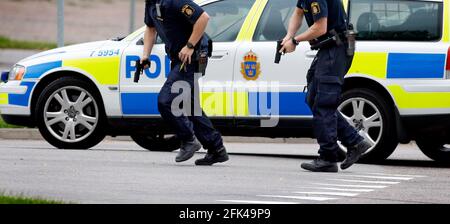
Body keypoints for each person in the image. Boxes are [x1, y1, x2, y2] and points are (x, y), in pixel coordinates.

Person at [280, 0, 371, 172]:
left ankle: (328, 157)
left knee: (324, 103)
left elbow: (320, 27)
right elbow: (298, 12)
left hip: (335, 49)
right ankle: (354, 142)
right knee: (313, 98)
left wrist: (295, 40)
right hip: (329, 47)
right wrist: (288, 36)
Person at [142, 0, 229, 165]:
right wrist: (145, 55)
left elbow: (203, 17)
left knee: (166, 101)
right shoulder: (151, 2)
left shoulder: (174, 0)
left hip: (191, 57)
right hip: (178, 58)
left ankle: (189, 140)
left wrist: (189, 46)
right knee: (190, 106)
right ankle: (216, 149)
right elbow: (150, 28)